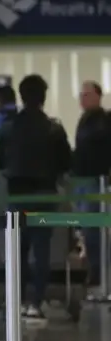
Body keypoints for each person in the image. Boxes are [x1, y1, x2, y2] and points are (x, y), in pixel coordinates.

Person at [0, 74, 71, 319]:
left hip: (17, 197)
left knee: (18, 251)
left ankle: (16, 300)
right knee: (42, 250)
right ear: (43, 97)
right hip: (45, 197)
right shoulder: (54, 128)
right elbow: (66, 162)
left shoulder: (7, 128)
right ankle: (37, 301)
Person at [73, 81, 111, 296]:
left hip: (96, 182)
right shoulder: (86, 120)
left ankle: (99, 273)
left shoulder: (102, 122)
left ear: (99, 96)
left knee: (95, 230)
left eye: (88, 94)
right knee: (88, 230)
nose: (83, 98)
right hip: (84, 181)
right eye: (81, 94)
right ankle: (96, 271)